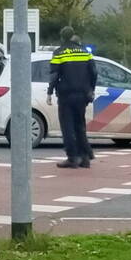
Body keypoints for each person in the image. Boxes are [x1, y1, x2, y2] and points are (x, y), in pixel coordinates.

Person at [46, 26, 97, 169]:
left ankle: (72, 157)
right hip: (82, 95)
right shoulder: (84, 52)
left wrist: (50, 92)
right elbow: (94, 72)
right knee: (80, 126)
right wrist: (91, 89)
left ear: (62, 37)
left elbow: (54, 75)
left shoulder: (59, 53)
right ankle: (85, 157)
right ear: (73, 36)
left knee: (67, 127)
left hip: (66, 95)